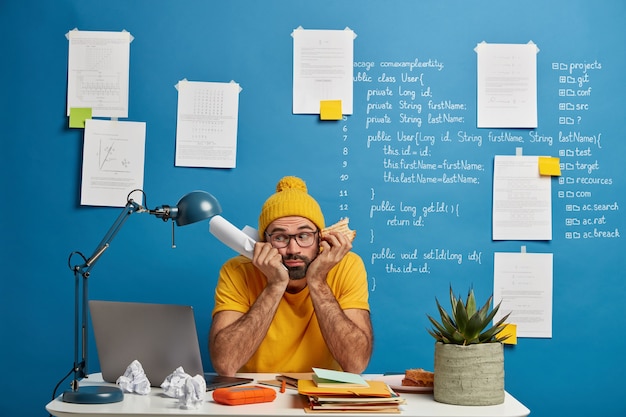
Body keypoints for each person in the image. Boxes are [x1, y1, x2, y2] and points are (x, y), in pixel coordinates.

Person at [209, 176, 373, 376]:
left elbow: (355, 364)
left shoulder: (347, 266)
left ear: (320, 239)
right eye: (280, 237)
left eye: (304, 236)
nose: (293, 249)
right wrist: (275, 284)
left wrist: (317, 280)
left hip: (321, 394)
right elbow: (225, 364)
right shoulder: (237, 271)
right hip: (256, 393)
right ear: (263, 241)